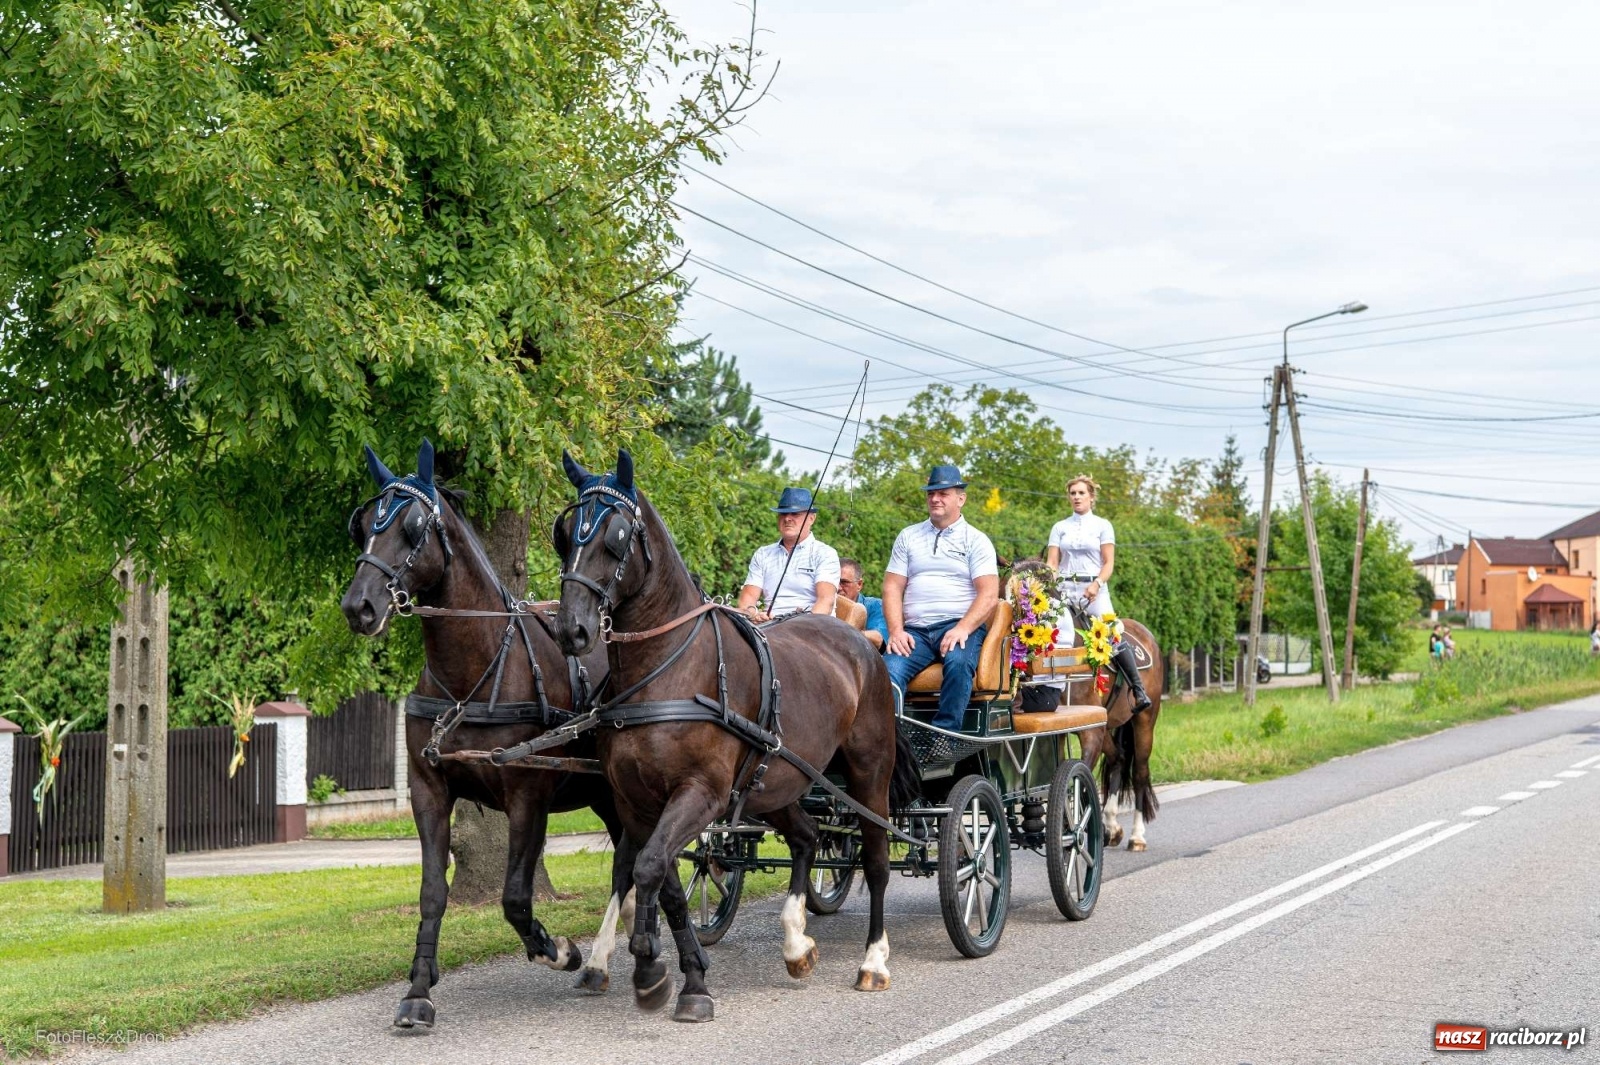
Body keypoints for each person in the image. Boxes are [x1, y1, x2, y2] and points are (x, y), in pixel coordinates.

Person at [882, 464, 1000, 731]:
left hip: (959, 626)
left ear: (961, 499)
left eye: (943, 493)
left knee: (958, 664)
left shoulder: (976, 540)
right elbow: (892, 588)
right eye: (931, 493)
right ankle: (894, 741)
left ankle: (946, 738)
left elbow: (989, 594)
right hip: (915, 632)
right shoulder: (908, 536)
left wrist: (962, 628)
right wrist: (896, 631)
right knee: (887, 672)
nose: (935, 499)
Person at [1045, 473, 1151, 712]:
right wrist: (1051, 585)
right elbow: (1052, 562)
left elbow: (1108, 563)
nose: (1076, 497)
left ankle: (1138, 690)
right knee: (1043, 632)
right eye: (1073, 493)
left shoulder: (1103, 526)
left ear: (1091, 497)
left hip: (1094, 590)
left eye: (1081, 493)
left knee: (1113, 632)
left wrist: (1097, 584)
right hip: (1064, 590)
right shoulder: (1059, 527)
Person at [737, 486, 840, 622]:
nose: (787, 519)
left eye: (795, 514)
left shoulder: (825, 553)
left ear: (811, 518)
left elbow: (826, 601)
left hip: (813, 626)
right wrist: (754, 615)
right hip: (770, 627)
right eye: (783, 514)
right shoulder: (763, 554)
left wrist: (801, 627)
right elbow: (748, 599)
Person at [839, 557, 888, 650]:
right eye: (834, 581)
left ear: (859, 584)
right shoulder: (823, 605)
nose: (838, 588)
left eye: (844, 582)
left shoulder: (875, 606)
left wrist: (845, 633)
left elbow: (878, 639)